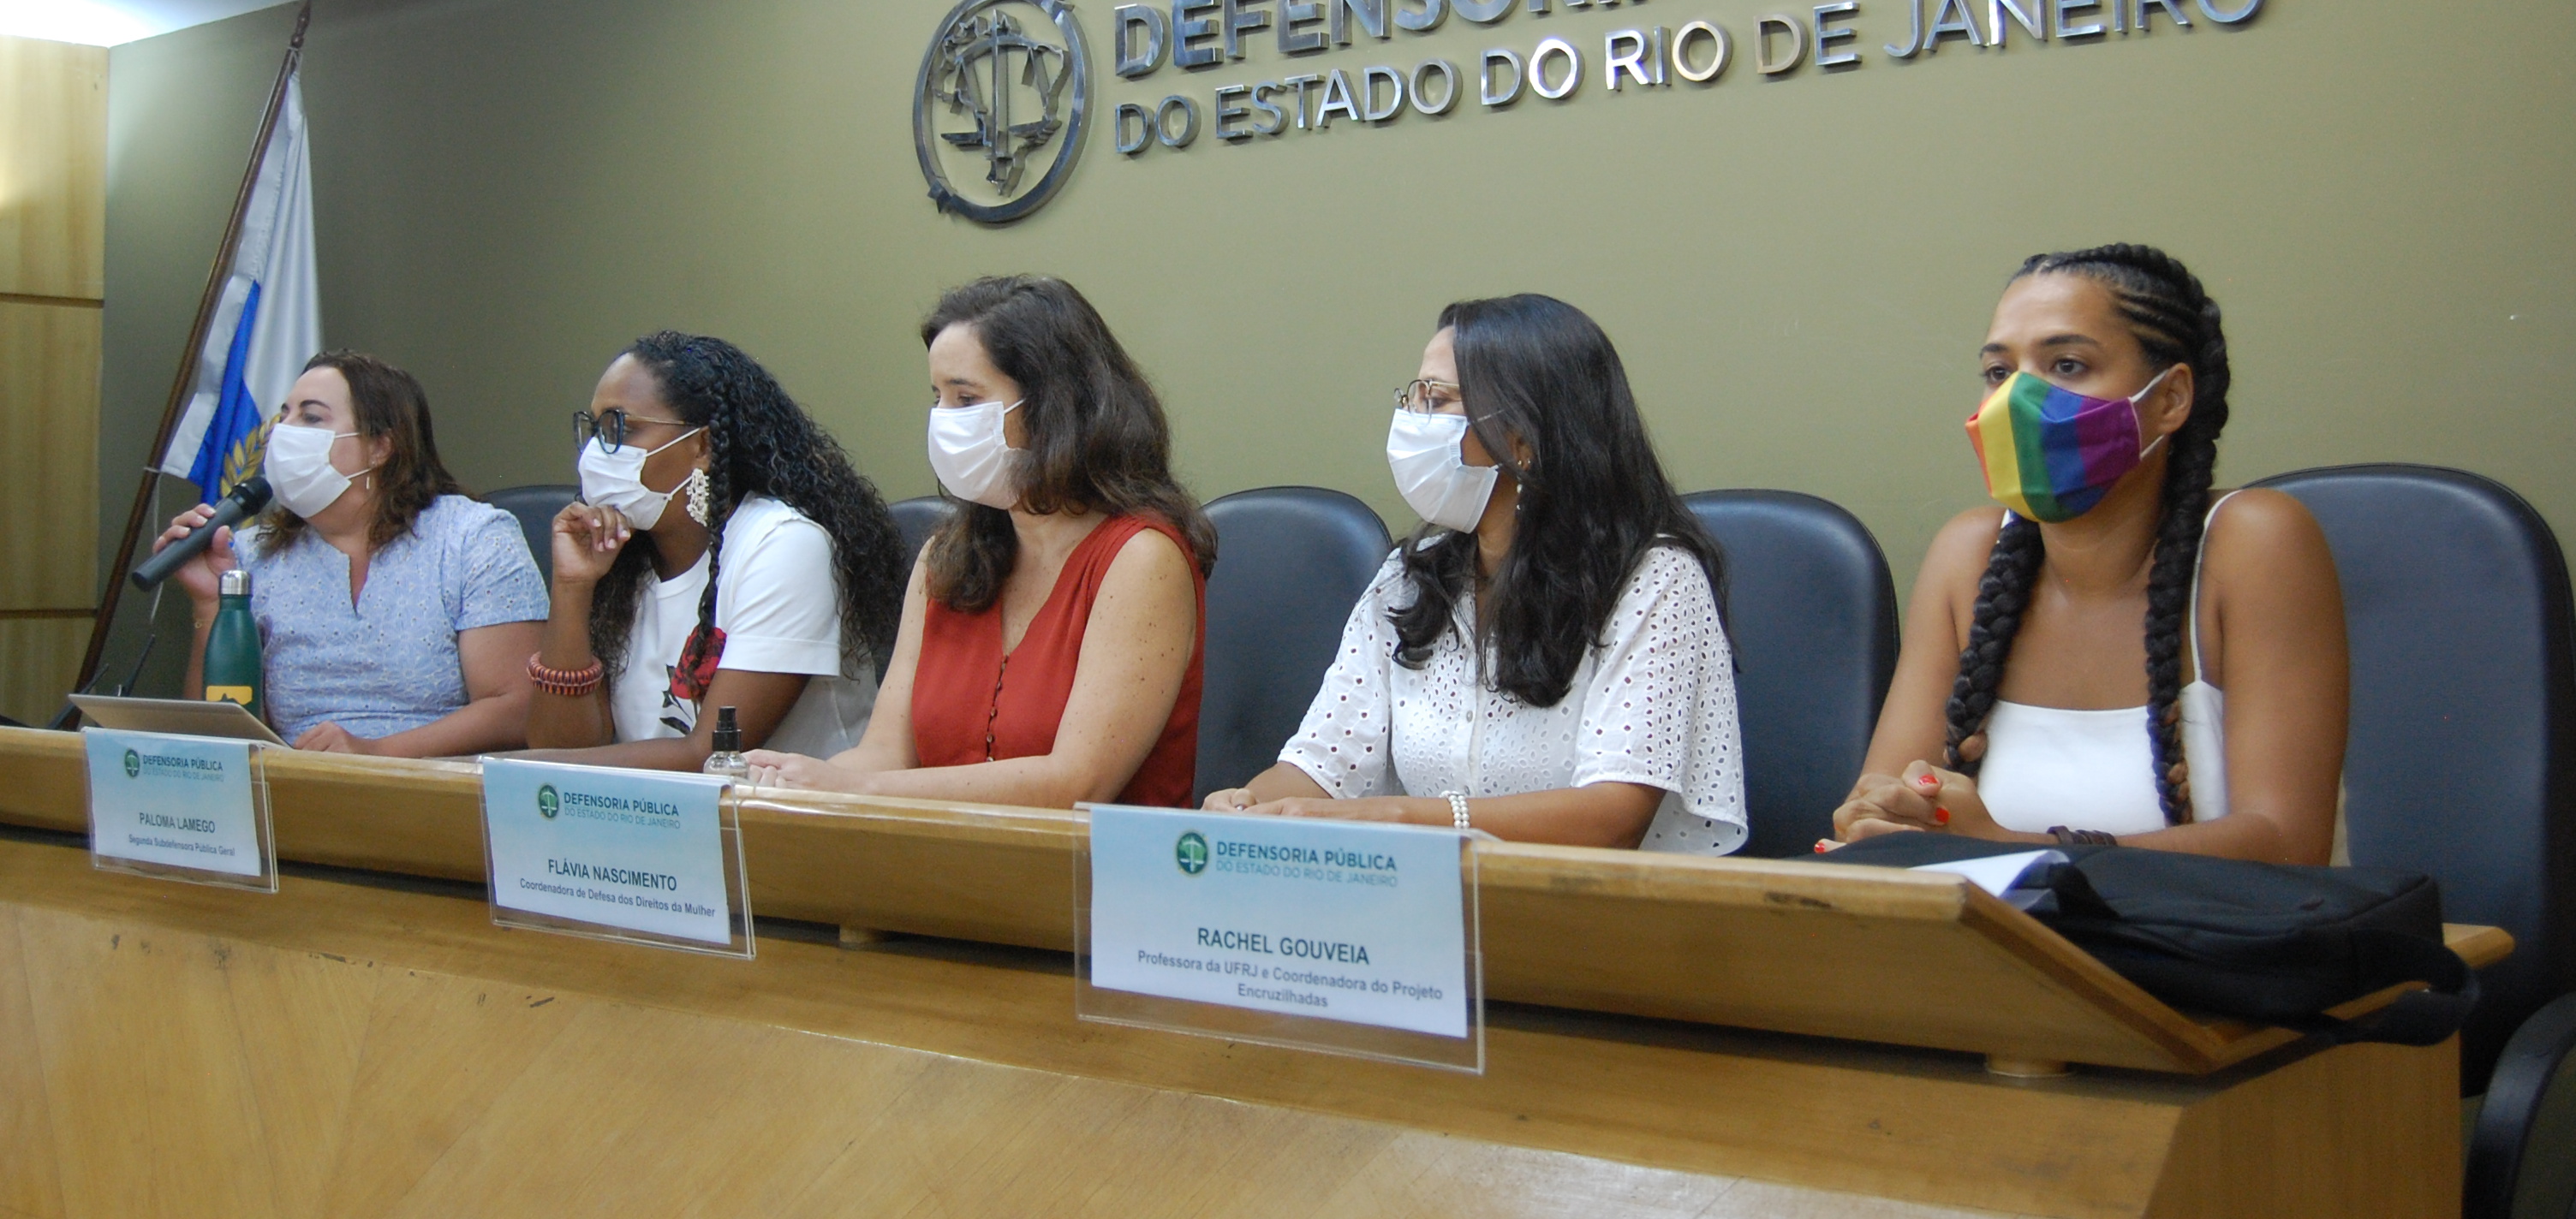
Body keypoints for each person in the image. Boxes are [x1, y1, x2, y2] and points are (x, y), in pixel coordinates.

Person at [1831, 245, 2347, 862]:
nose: (2017, 400)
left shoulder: (2254, 541)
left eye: (2068, 365)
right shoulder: (1966, 555)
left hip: (2207, 930)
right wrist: (1879, 819)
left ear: (2170, 398)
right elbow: (1884, 810)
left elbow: (2290, 847)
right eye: (1999, 372)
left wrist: (2011, 850)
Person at [1205, 294, 1747, 852]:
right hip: (1430, 897)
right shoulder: (1409, 577)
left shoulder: (1656, 579)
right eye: (1413, 397)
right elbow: (1323, 764)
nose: (1411, 421)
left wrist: (1397, 817)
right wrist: (1248, 805)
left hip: (1589, 899)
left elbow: (1612, 817)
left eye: (1436, 400)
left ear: (1522, 440)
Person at [744, 276, 1210, 806]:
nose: (944, 421)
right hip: (943, 854)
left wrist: (857, 787)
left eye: (966, 398)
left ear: (1053, 407)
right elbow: (885, 754)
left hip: (1094, 859)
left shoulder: (1143, 558)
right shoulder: (944, 557)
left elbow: (1077, 784)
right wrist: (793, 780)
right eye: (937, 397)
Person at [525, 332, 908, 768]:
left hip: (784, 807)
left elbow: (712, 756)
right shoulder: (623, 561)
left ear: (702, 446)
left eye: (622, 430)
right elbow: (561, 744)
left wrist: (521, 768)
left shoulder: (783, 543)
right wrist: (573, 587)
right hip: (650, 807)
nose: (597, 452)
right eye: (594, 430)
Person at [155, 350, 547, 754]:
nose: (282, 432)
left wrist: (374, 753)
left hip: (437, 781)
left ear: (380, 447)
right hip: (294, 781)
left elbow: (516, 709)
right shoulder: (248, 554)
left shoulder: (472, 536)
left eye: (311, 418)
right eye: (283, 416)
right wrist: (213, 604)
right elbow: (223, 737)